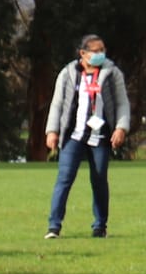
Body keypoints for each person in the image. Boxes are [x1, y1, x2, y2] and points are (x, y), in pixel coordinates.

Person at [45, 34, 130, 239]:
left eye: (103, 50)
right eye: (96, 51)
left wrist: (121, 128)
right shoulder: (68, 73)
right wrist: (52, 131)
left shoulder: (112, 73)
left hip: (100, 137)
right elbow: (57, 104)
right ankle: (54, 227)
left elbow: (122, 103)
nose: (101, 54)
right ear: (83, 53)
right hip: (74, 136)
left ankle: (100, 226)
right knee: (64, 179)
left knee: (99, 180)